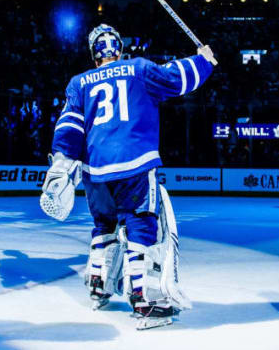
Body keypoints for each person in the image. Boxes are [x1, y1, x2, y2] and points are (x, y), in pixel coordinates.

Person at [42, 24, 215, 329]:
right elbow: (177, 77)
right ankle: (144, 300)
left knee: (103, 225)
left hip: (95, 172)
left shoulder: (79, 82)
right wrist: (204, 60)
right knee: (141, 224)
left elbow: (69, 128)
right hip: (134, 164)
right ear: (118, 49)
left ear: (95, 55)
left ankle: (99, 286)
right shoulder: (138, 69)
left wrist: (60, 164)